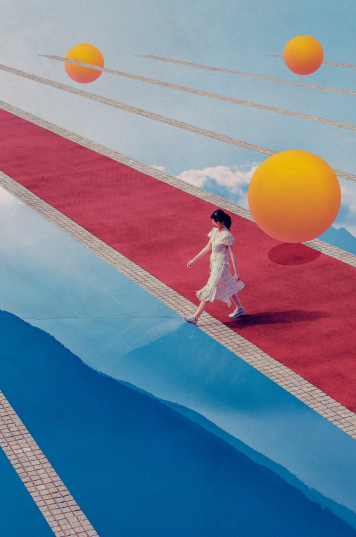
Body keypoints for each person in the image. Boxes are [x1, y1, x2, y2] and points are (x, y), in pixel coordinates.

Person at [184, 209, 245, 325]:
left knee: (210, 288)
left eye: (215, 222)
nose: (213, 224)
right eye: (212, 221)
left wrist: (236, 272)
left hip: (221, 267)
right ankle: (240, 308)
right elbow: (207, 248)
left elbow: (232, 254)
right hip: (214, 265)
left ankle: (195, 318)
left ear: (222, 221)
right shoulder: (214, 230)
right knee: (228, 285)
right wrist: (193, 260)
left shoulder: (227, 235)